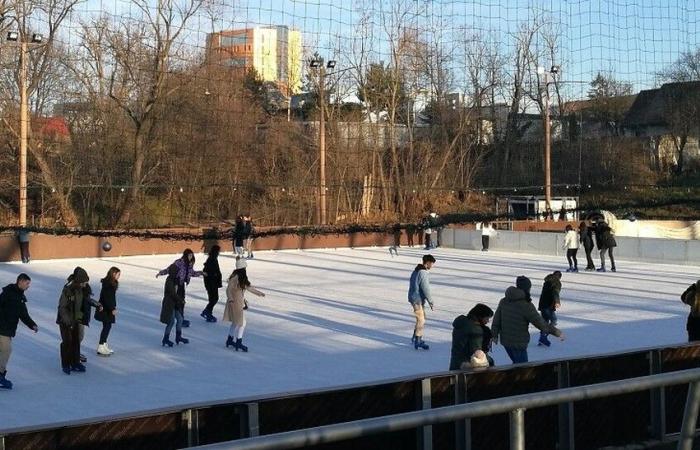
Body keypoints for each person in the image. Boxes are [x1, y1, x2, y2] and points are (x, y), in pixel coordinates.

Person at [491, 275, 563, 364]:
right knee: (523, 369)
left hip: (506, 342)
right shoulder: (526, 305)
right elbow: (540, 323)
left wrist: (494, 334)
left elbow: (496, 319)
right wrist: (557, 332)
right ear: (527, 288)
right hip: (519, 342)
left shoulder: (504, 300)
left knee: (516, 365)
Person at [57, 267, 100, 374]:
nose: (86, 284)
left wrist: (96, 304)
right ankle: (66, 364)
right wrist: (68, 322)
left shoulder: (83, 288)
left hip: (77, 319)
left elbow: (87, 299)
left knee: (76, 341)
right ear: (79, 281)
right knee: (67, 342)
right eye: (84, 282)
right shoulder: (68, 290)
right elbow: (62, 308)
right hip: (66, 321)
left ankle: (75, 362)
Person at [0, 273, 38, 389]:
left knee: (4, 350)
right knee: (6, 350)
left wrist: (32, 325)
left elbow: (23, 314)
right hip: (3, 328)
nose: (28, 286)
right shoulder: (7, 293)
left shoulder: (20, 296)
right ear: (20, 281)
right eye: (27, 283)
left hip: (8, 329)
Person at [223, 258, 265, 352]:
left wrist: (259, 293)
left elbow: (248, 288)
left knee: (235, 322)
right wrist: (230, 299)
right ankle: (238, 342)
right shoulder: (235, 278)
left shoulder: (241, 278)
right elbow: (228, 289)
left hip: (237, 302)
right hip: (234, 303)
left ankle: (230, 340)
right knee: (242, 323)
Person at [156, 249, 205, 328]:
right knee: (176, 301)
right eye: (189, 255)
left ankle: (181, 318)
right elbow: (169, 269)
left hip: (182, 285)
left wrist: (201, 273)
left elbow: (192, 273)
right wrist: (161, 273)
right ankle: (174, 317)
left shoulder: (190, 264)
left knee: (181, 302)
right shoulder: (179, 262)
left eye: (191, 255)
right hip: (176, 284)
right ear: (185, 255)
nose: (190, 257)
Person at [449, 303, 495, 370]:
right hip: (468, 368)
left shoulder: (461, 323)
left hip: (455, 364)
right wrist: (490, 362)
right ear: (480, 317)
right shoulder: (475, 330)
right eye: (487, 318)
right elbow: (477, 353)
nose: (488, 321)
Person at [408, 254, 436, 350]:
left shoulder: (416, 270)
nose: (432, 266)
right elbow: (426, 288)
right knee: (421, 319)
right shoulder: (423, 272)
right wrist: (431, 301)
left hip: (414, 297)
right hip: (417, 299)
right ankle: (418, 340)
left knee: (421, 317)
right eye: (432, 263)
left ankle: (415, 337)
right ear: (427, 263)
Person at [160, 264, 188, 347]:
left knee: (180, 319)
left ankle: (178, 336)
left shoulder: (176, 280)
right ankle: (165, 338)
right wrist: (180, 300)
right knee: (171, 321)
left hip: (175, 303)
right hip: (169, 303)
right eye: (177, 271)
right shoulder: (169, 280)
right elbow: (172, 293)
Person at [95, 267, 120, 356]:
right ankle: (101, 346)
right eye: (118, 274)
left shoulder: (110, 283)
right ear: (113, 274)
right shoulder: (109, 285)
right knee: (107, 327)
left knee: (107, 326)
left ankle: (104, 344)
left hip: (107, 309)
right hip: (106, 310)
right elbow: (107, 298)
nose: (119, 276)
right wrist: (112, 308)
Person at [537, 271, 562, 347]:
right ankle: (543, 337)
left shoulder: (547, 281)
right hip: (548, 306)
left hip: (542, 304)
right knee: (554, 320)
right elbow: (555, 292)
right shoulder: (556, 282)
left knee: (544, 322)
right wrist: (557, 302)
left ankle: (542, 338)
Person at [201, 245, 223, 323]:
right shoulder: (212, 260)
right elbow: (209, 272)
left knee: (213, 299)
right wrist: (215, 277)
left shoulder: (212, 259)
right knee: (214, 298)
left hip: (212, 283)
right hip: (211, 283)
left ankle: (208, 313)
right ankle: (207, 312)